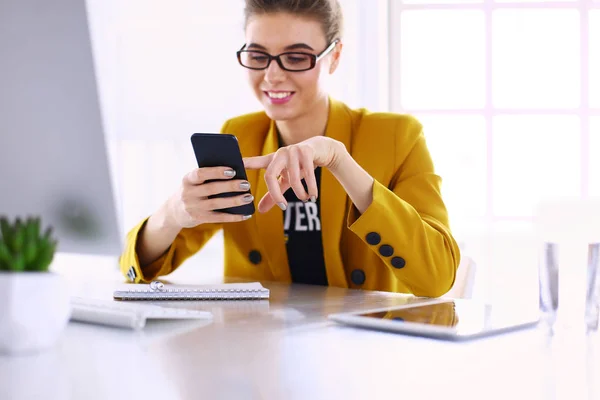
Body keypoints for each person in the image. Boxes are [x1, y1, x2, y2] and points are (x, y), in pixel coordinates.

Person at [119, 0, 461, 297]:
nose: (272, 76)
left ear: (335, 56)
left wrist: (339, 160)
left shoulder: (396, 136)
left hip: (364, 350)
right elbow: (140, 268)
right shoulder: (240, 135)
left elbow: (438, 276)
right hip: (261, 352)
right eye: (258, 55)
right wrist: (173, 213)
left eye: (296, 57)